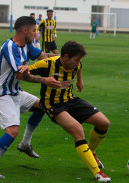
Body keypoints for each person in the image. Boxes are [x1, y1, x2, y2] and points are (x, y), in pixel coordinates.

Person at [0, 16, 62, 179]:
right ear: (25, 31)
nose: (35, 34)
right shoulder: (9, 47)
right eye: (33, 30)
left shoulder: (27, 45)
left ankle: (25, 144)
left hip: (16, 93)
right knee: (12, 131)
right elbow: (20, 75)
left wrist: (64, 60)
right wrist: (45, 80)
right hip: (3, 94)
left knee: (42, 106)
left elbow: (44, 57)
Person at [24, 40, 111, 182]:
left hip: (70, 100)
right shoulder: (47, 64)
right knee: (78, 130)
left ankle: (91, 152)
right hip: (53, 104)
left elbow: (80, 67)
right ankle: (97, 172)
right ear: (65, 57)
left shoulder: (77, 65)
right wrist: (45, 80)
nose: (78, 63)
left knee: (104, 123)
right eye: (75, 60)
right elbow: (24, 73)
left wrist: (79, 81)